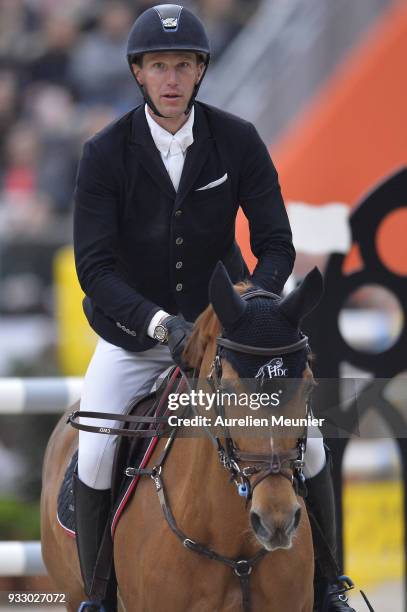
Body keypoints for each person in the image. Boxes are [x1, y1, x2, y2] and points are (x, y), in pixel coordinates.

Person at [72, 4, 355, 611]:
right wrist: (157, 323)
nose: (170, 78)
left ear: (200, 71)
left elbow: (275, 243)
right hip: (135, 336)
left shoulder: (237, 138)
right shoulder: (104, 153)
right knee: (94, 452)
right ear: (139, 74)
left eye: (182, 65)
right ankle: (100, 596)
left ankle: (328, 586)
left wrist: (253, 306)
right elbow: (94, 269)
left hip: (227, 336)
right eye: (158, 66)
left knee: (310, 442)